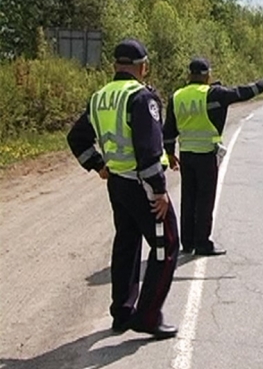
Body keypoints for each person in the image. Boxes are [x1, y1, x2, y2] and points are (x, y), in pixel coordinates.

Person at [67, 38, 179, 339]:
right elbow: (149, 151)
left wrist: (98, 165)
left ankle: (123, 312)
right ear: (143, 67)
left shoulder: (100, 97)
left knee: (127, 244)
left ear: (115, 66)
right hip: (142, 187)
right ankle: (148, 315)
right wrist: (159, 191)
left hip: (117, 184)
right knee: (165, 246)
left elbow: (76, 137)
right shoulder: (142, 98)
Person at [163, 57, 263, 256]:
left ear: (189, 75)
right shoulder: (215, 94)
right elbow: (245, 92)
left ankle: (187, 243)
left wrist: (170, 153)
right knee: (205, 200)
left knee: (188, 199)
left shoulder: (177, 96)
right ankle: (202, 243)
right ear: (207, 75)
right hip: (206, 156)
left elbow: (168, 130)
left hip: (186, 155)